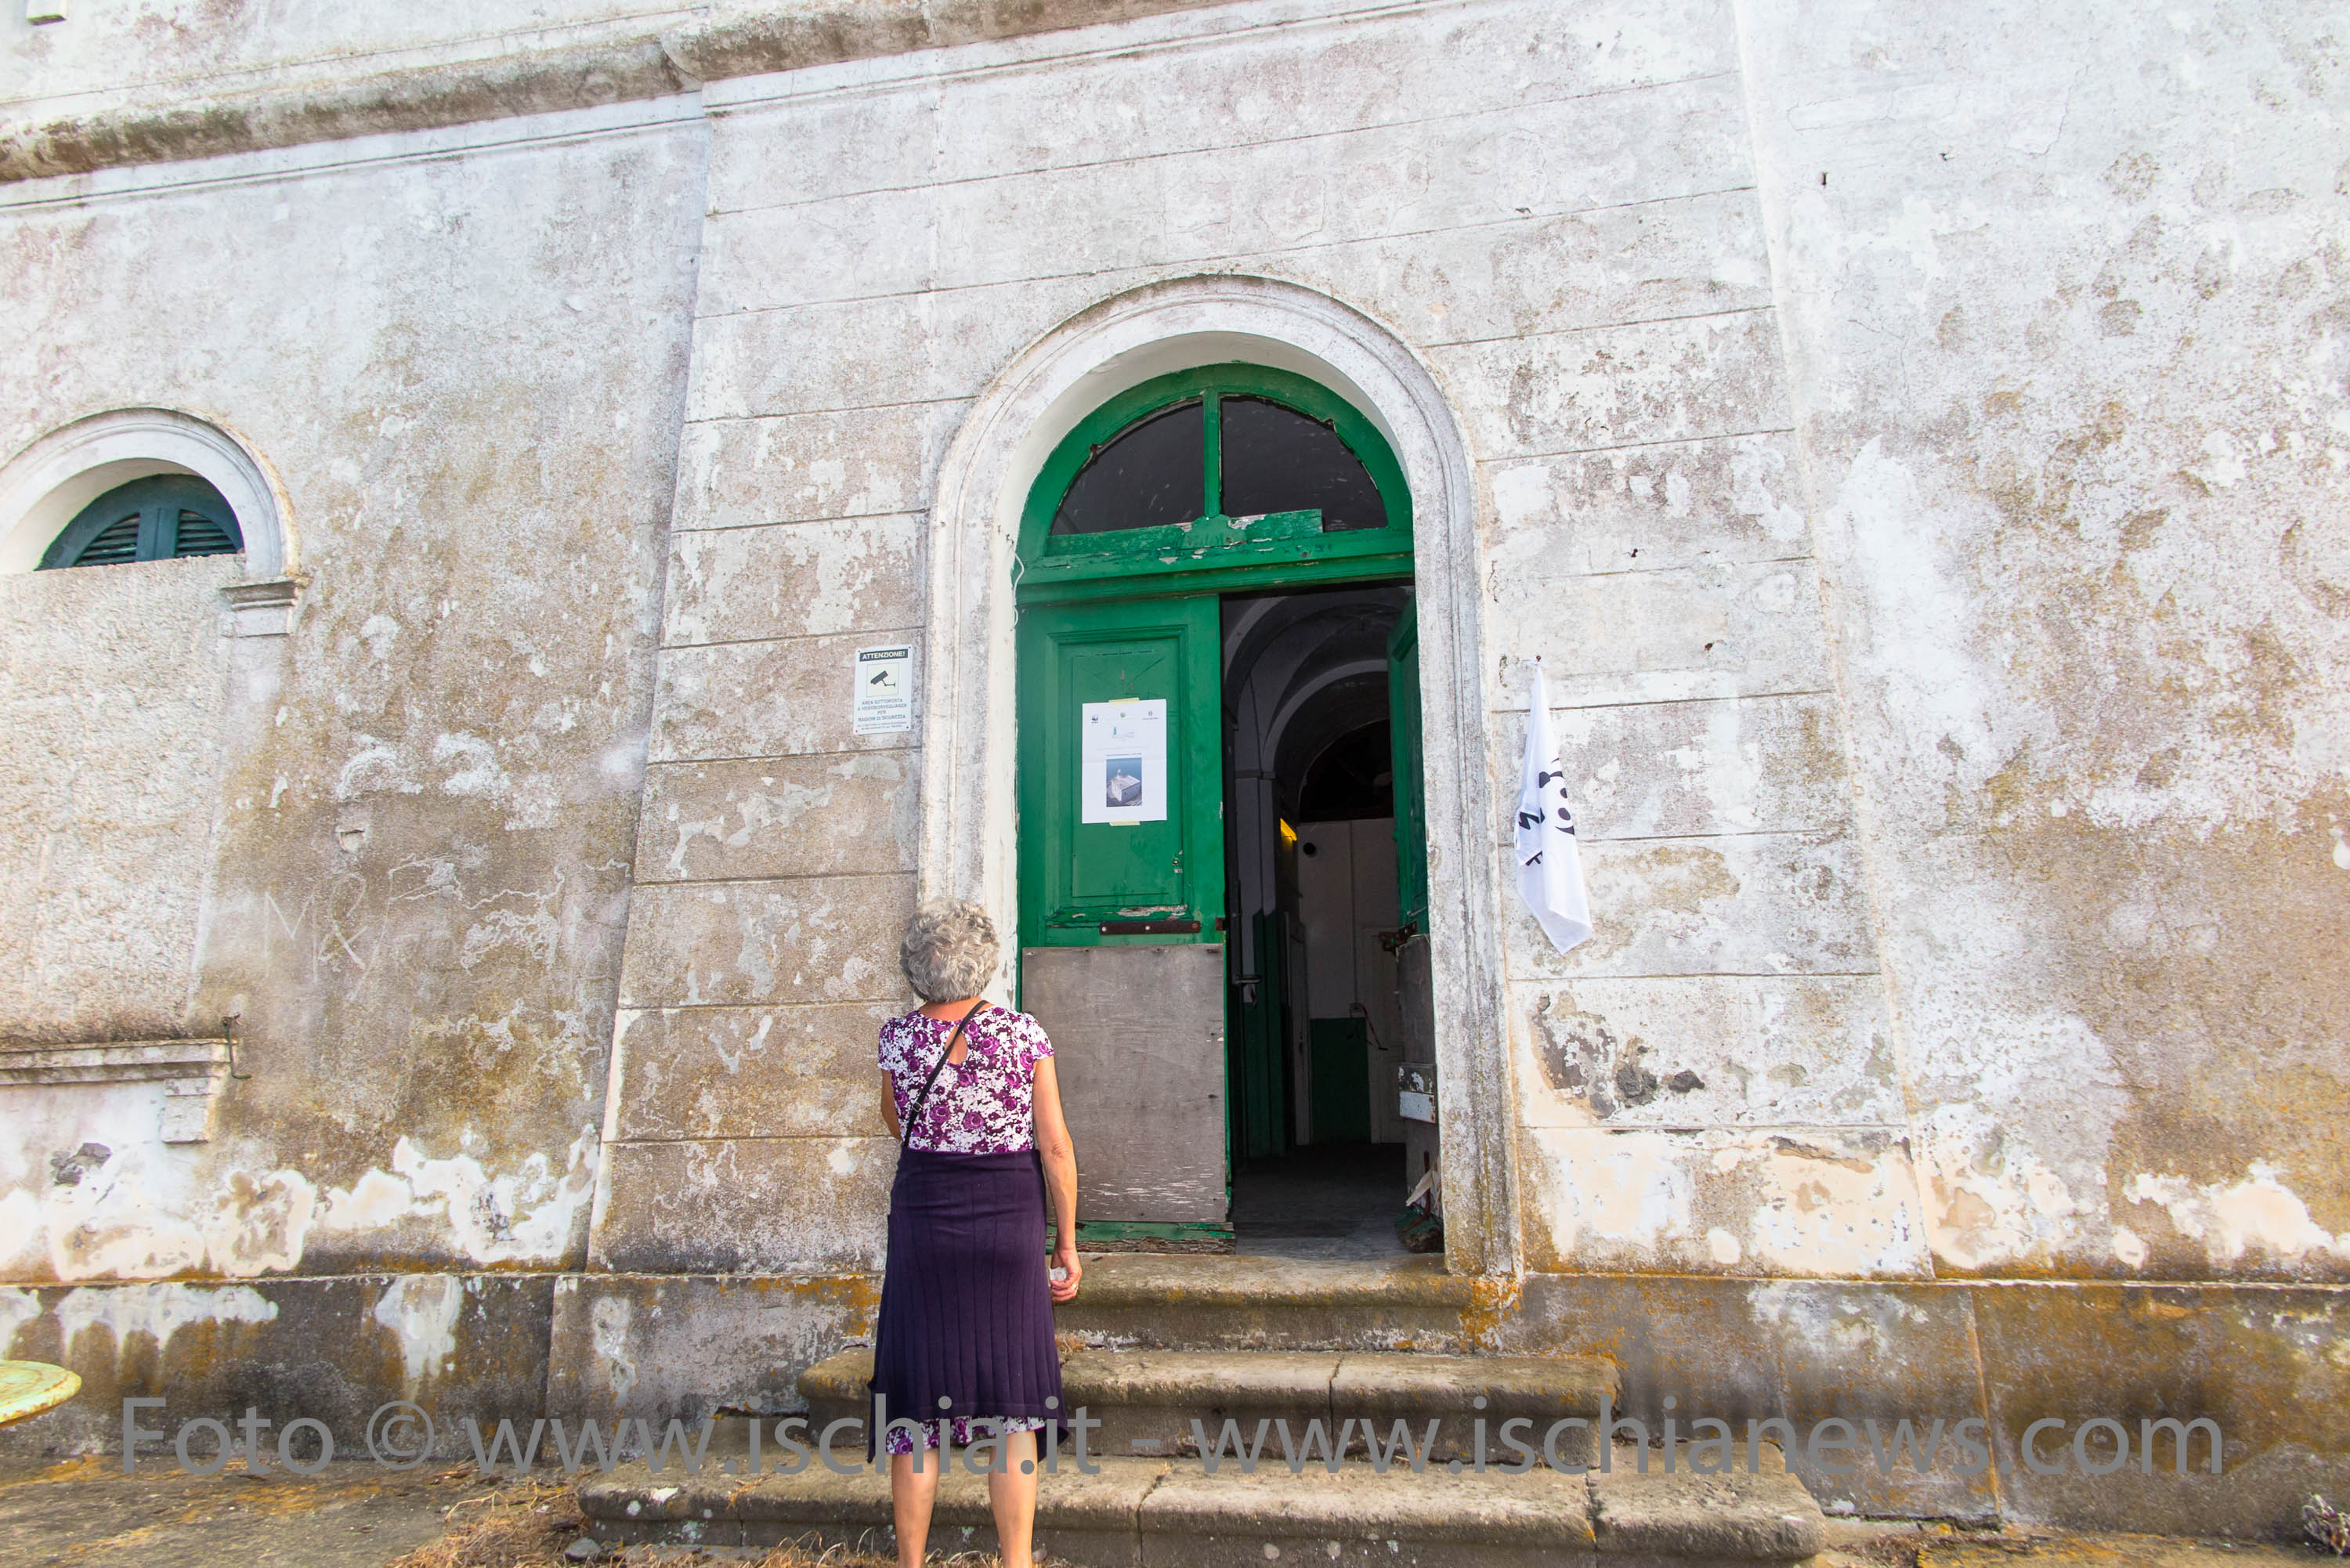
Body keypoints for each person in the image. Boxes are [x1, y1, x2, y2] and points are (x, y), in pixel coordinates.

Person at [871, 900, 1081, 1568]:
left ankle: (911, 1562)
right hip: (1006, 1225)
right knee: (1015, 1409)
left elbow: (895, 1122)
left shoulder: (897, 1040)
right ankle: (1015, 1561)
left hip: (924, 1226)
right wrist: (1068, 1245)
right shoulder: (1024, 1036)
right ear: (983, 964)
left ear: (917, 966)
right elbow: (1054, 1148)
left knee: (916, 1413)